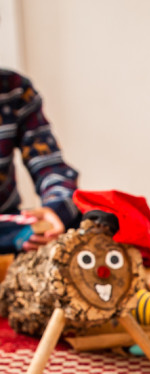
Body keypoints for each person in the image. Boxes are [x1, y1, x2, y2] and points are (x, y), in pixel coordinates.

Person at [0, 69, 79, 254]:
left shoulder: (13, 88)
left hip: (8, 228)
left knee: (88, 217)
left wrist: (54, 209)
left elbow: (49, 166)